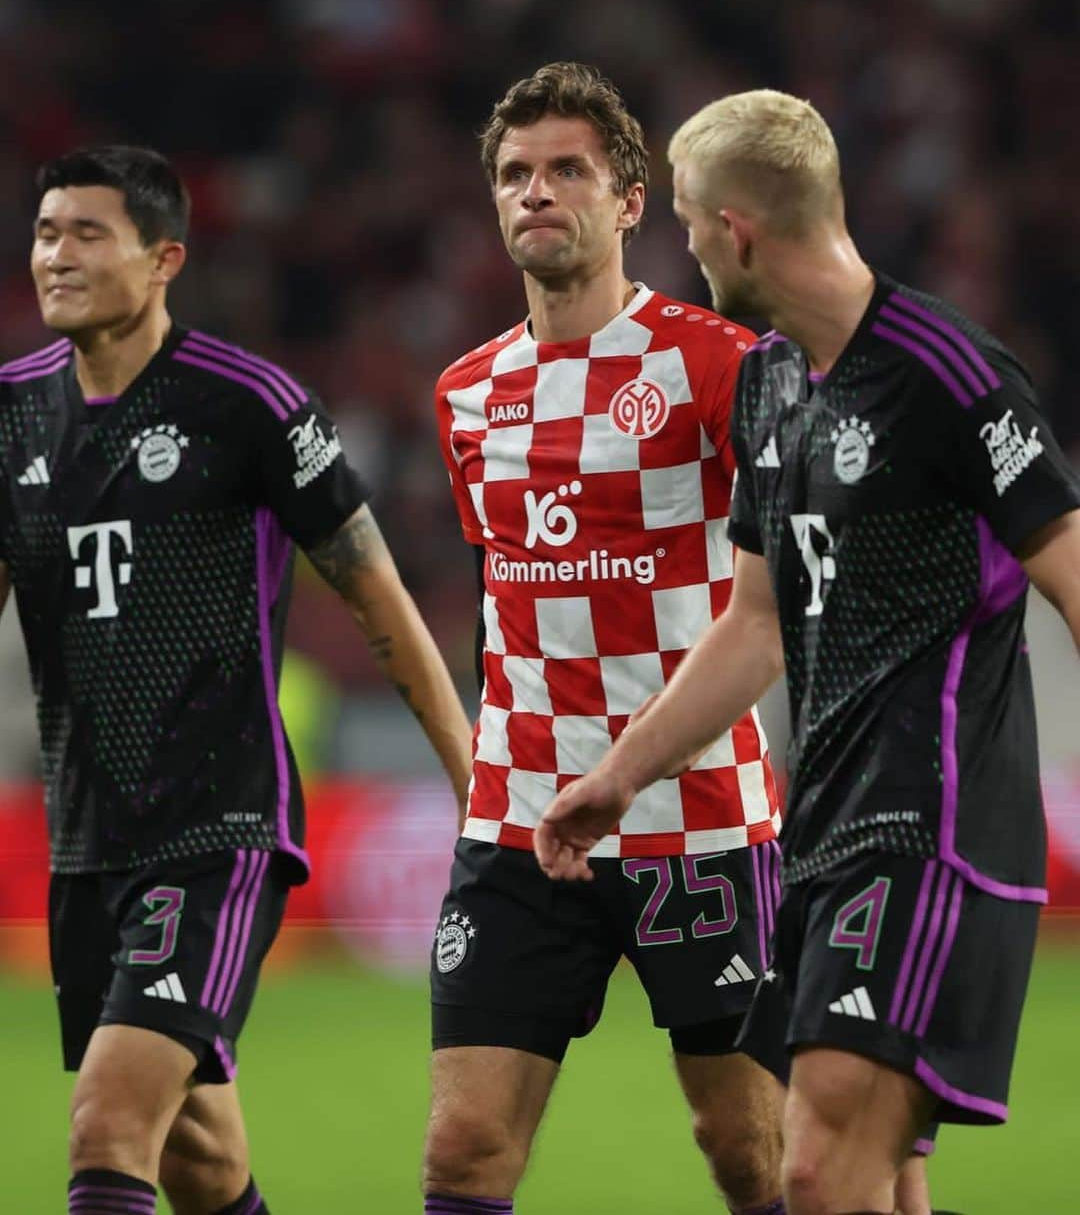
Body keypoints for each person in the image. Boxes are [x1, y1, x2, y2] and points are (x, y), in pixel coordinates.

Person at [534, 89, 1080, 1215]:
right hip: (822, 832)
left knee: (820, 1171)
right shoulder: (774, 387)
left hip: (936, 827)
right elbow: (755, 624)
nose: (681, 250)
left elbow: (1071, 567)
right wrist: (619, 776)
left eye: (684, 221)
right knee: (878, 1186)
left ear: (736, 229)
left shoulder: (951, 373)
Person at [0, 145, 473, 1215]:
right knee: (200, 1159)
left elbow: (378, 600)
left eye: (87, 234)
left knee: (108, 1126)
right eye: (44, 232)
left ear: (163, 258)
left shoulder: (245, 404)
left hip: (216, 829)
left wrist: (476, 786)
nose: (56, 257)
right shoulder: (12, 413)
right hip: (84, 841)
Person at [424, 63, 786, 1215]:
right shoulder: (466, 392)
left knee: (748, 1152)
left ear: (631, 201)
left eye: (567, 169)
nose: (537, 192)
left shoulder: (718, 363)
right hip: (521, 825)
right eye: (516, 174)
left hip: (698, 821)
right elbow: (506, 599)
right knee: (463, 1151)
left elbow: (771, 603)